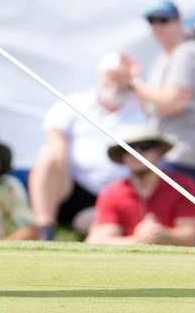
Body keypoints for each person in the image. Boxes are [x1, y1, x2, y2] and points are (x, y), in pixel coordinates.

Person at [129, 0, 195, 242]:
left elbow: (174, 103)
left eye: (164, 20)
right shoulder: (166, 57)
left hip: (187, 153)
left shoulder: (187, 53)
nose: (158, 27)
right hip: (174, 152)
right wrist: (136, 85)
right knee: (182, 221)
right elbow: (154, 107)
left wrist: (133, 84)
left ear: (177, 22)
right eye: (153, 21)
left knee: (194, 225)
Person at [28, 52, 147, 240]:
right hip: (75, 189)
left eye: (120, 78)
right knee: (47, 155)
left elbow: (166, 108)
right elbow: (54, 139)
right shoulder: (75, 103)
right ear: (99, 76)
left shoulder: (142, 108)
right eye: (110, 76)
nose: (114, 83)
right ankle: (45, 230)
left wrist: (135, 81)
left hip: (124, 193)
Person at [86, 126, 195, 246]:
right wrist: (137, 240)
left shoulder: (183, 185)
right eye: (128, 148)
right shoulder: (112, 193)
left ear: (159, 152)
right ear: (122, 156)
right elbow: (98, 240)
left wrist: (163, 234)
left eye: (145, 146)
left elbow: (191, 237)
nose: (136, 153)